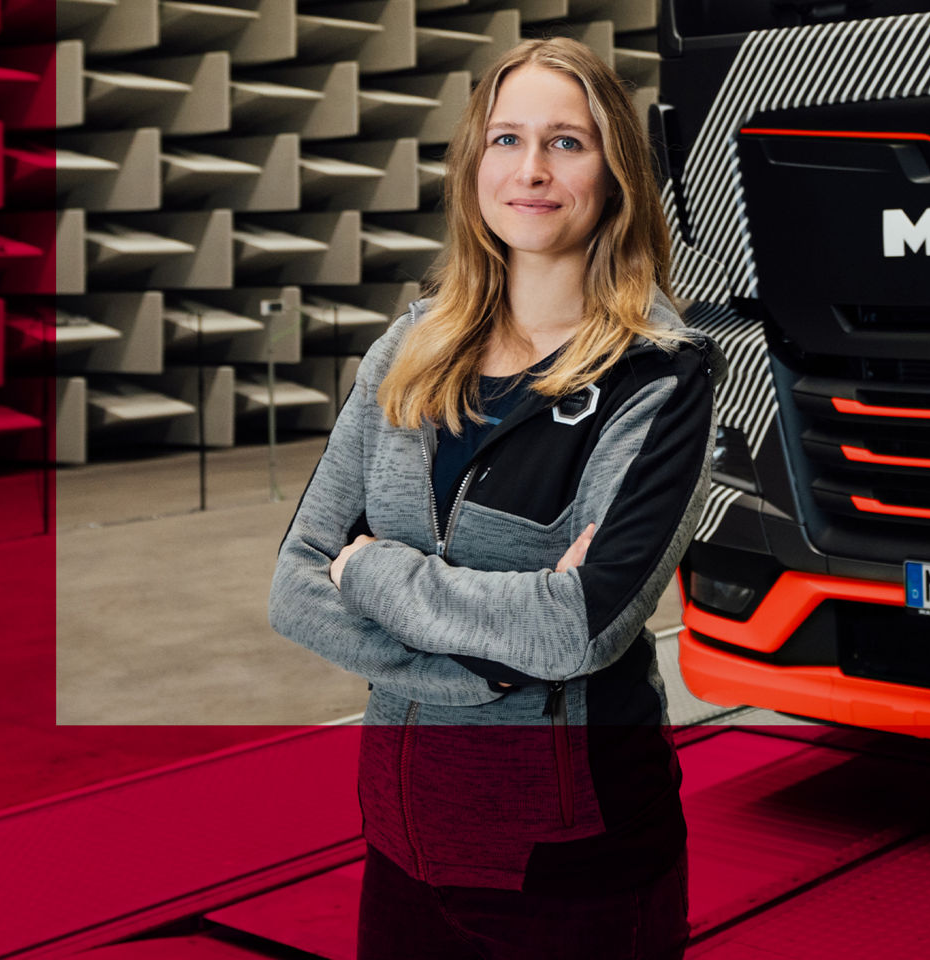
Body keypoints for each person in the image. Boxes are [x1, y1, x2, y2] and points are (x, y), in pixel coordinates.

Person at [269, 36, 725, 960]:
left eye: (567, 142)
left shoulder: (659, 377)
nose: (531, 170)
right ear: (474, 164)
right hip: (400, 848)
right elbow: (294, 588)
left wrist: (373, 571)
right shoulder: (408, 351)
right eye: (506, 138)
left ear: (616, 173)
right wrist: (484, 670)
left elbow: (578, 629)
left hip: (573, 871)